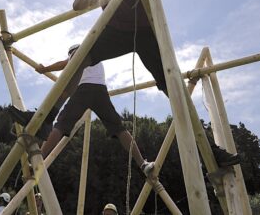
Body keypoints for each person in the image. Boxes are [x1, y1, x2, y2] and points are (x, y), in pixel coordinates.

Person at [15, 0, 240, 168]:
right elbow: (78, 4)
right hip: (115, 31)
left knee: (173, 89)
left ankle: (210, 151)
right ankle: (46, 118)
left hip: (145, 33)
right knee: (80, 57)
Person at [11, 45, 156, 177]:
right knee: (119, 128)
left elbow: (65, 64)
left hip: (83, 90)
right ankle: (142, 163)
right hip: (100, 91)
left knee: (61, 124)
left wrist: (45, 69)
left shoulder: (78, 52)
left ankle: (39, 158)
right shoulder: (97, 55)